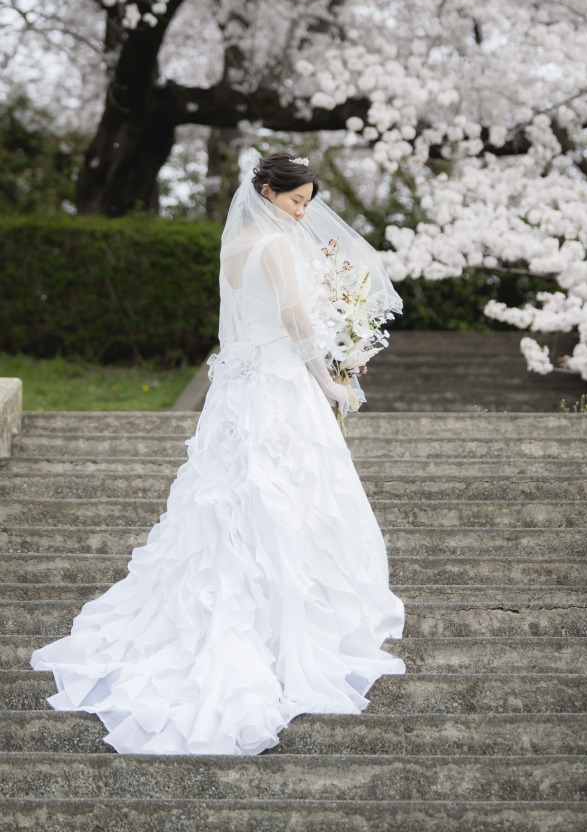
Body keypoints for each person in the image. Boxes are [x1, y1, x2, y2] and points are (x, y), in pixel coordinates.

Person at [30, 153, 406, 754]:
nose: (302, 212)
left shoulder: (235, 248)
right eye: (295, 201)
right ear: (264, 192)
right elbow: (292, 320)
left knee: (237, 500)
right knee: (287, 497)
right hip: (280, 386)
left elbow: (246, 321)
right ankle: (283, 629)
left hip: (236, 391)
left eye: (306, 202)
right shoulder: (279, 248)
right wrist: (328, 379)